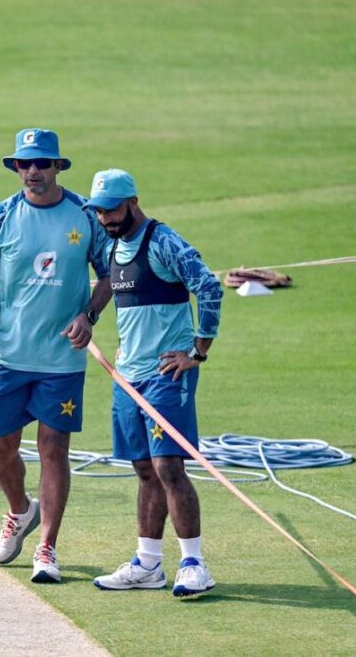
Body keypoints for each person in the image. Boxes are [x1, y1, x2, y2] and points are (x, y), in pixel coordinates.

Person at [0, 128, 112, 583]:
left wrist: (89, 315)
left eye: (42, 164)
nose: (33, 172)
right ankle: (20, 511)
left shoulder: (85, 217)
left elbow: (110, 275)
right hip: (10, 358)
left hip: (62, 362)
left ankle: (47, 549)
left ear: (57, 167)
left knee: (54, 450)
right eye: (24, 164)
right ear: (16, 168)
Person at [84, 168, 223, 597]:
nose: (105, 219)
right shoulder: (112, 246)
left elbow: (210, 287)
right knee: (143, 469)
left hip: (166, 374)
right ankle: (147, 564)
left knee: (168, 467)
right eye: (100, 212)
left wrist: (197, 353)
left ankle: (194, 563)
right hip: (128, 378)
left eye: (111, 210)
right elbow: (112, 291)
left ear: (133, 201)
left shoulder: (163, 242)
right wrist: (87, 317)